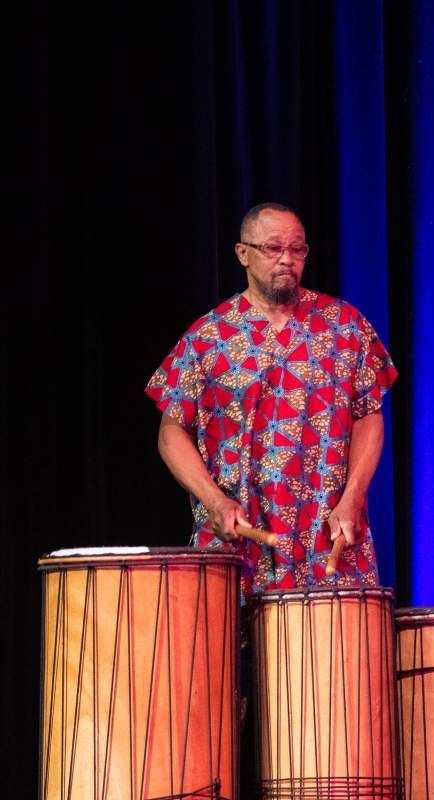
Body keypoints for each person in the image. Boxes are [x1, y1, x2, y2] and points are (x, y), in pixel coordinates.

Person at [147, 202, 396, 598]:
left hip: (327, 533)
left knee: (336, 657)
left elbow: (369, 415)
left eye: (297, 250)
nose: (287, 259)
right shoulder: (208, 337)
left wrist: (352, 498)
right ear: (243, 253)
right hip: (241, 537)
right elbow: (171, 431)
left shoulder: (345, 326)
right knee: (229, 656)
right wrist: (214, 502)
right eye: (273, 248)